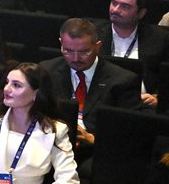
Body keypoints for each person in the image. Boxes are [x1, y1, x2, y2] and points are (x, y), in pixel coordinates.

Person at [39, 18, 141, 155]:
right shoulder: (46, 70)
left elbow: (129, 131)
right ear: (61, 43)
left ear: (98, 46)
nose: (75, 58)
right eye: (68, 51)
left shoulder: (123, 80)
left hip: (96, 150)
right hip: (52, 143)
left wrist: (94, 139)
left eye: (84, 52)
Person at [98, 0, 166, 107]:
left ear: (141, 13)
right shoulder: (93, 33)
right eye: (114, 3)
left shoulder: (160, 38)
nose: (115, 10)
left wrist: (158, 98)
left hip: (142, 104)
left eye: (125, 6)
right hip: (101, 102)